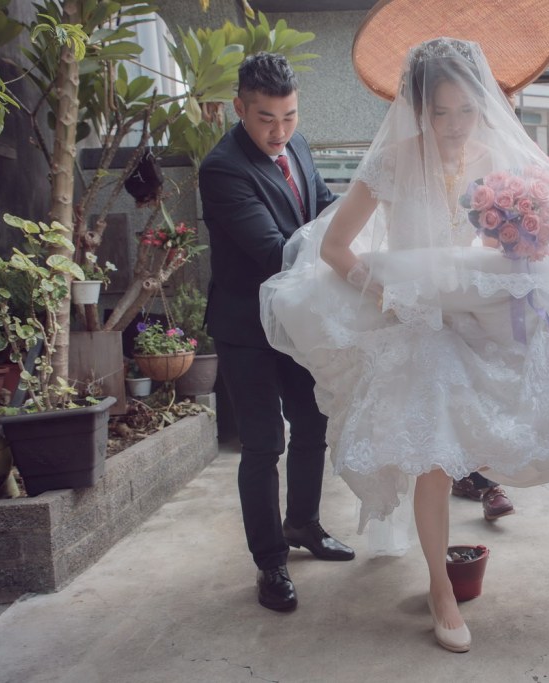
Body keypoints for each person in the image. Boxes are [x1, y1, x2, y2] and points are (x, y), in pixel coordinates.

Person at [260, 38, 549, 652]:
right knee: (433, 457)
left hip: (482, 320)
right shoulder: (391, 163)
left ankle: (472, 524)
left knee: (510, 430)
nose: (457, 124)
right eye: (441, 112)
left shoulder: (498, 159)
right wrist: (382, 293)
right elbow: (334, 248)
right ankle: (440, 588)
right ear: (419, 109)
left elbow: (531, 241)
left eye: (466, 109)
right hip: (422, 327)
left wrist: (519, 245)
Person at [198, 52, 355, 613]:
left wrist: (361, 221)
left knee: (313, 424)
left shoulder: (298, 144)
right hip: (246, 327)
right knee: (264, 443)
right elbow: (274, 250)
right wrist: (343, 257)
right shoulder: (222, 169)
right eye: (266, 118)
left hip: (296, 317)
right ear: (239, 108)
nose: (280, 131)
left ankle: (304, 524)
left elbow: (321, 206)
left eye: (289, 117)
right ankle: (270, 561)